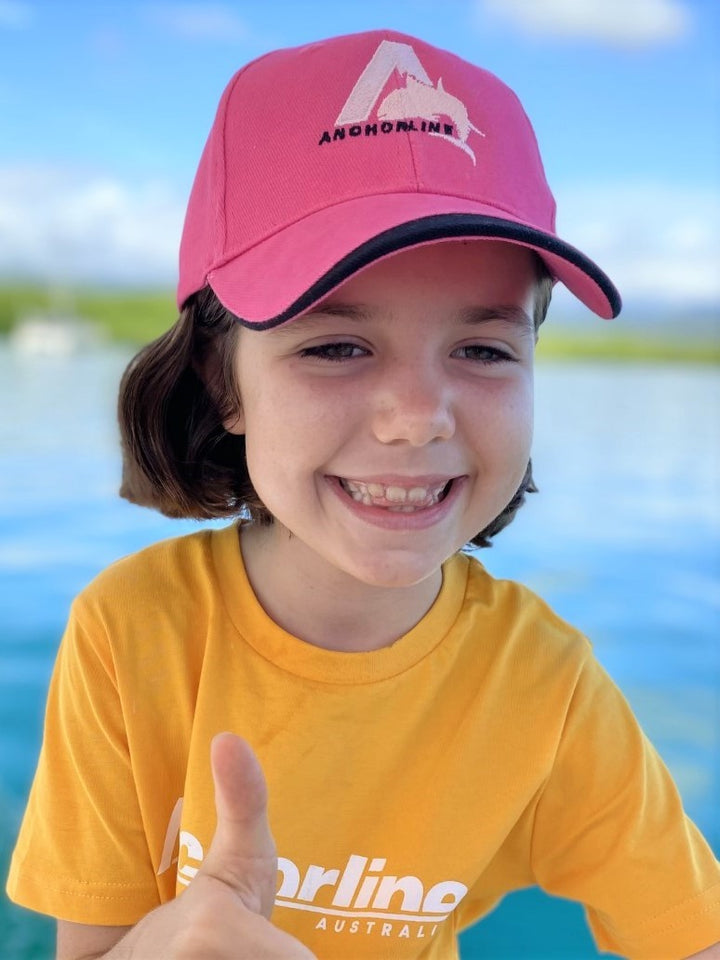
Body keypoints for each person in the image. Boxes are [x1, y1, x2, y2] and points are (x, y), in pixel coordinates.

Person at [6, 28, 720, 960]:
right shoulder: (130, 633)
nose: (418, 417)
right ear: (224, 386)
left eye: (485, 350)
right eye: (335, 347)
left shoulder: (547, 686)